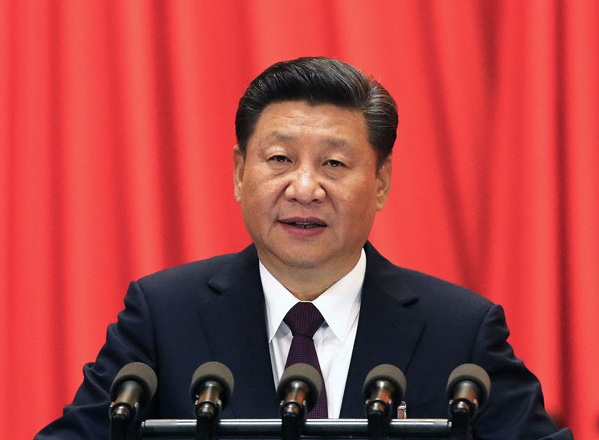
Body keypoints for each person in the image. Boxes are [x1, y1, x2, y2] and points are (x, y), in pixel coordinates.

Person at [36, 57, 573, 439]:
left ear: (381, 182)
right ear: (239, 174)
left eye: (335, 164)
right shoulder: (162, 315)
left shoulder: (460, 329)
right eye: (279, 160)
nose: (305, 187)